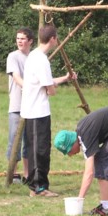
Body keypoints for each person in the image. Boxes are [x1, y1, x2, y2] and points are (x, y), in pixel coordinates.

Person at [20, 25, 75, 197]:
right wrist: (52, 90)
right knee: (39, 150)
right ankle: (39, 188)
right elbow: (49, 88)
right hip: (37, 111)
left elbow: (45, 81)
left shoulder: (34, 56)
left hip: (34, 110)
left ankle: (36, 186)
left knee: (36, 149)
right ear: (53, 39)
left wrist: (65, 78)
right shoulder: (41, 60)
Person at [6, 27, 35, 183]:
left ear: (30, 41)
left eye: (23, 38)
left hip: (31, 106)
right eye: (18, 38)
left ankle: (27, 174)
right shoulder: (13, 57)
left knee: (29, 141)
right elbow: (16, 76)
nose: (19, 41)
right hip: (17, 105)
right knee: (14, 140)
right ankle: (13, 173)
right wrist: (28, 88)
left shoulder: (34, 57)